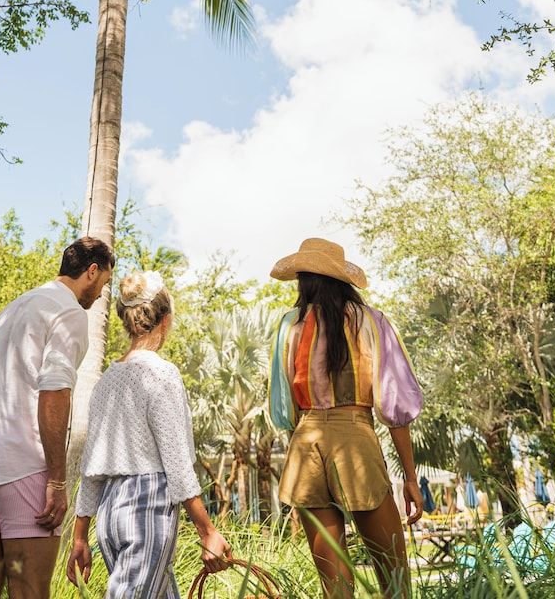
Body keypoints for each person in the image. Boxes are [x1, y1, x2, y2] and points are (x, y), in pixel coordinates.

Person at [0, 236, 114, 599]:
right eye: (104, 283)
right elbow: (55, 392)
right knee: (29, 592)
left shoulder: (16, 306)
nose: (101, 294)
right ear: (91, 272)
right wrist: (57, 481)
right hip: (24, 468)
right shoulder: (69, 313)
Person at [269, 237, 424, 599]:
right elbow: (396, 407)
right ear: (342, 280)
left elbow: (283, 406)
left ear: (304, 281)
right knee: (395, 581)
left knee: (335, 590)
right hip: (356, 442)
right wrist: (411, 477)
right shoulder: (371, 321)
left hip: (305, 444)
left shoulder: (288, 327)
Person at [67, 270, 231, 597]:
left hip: (110, 516)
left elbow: (91, 470)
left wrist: (81, 537)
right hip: (147, 511)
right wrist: (208, 532)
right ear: (165, 320)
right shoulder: (161, 375)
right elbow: (178, 464)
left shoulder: (105, 383)